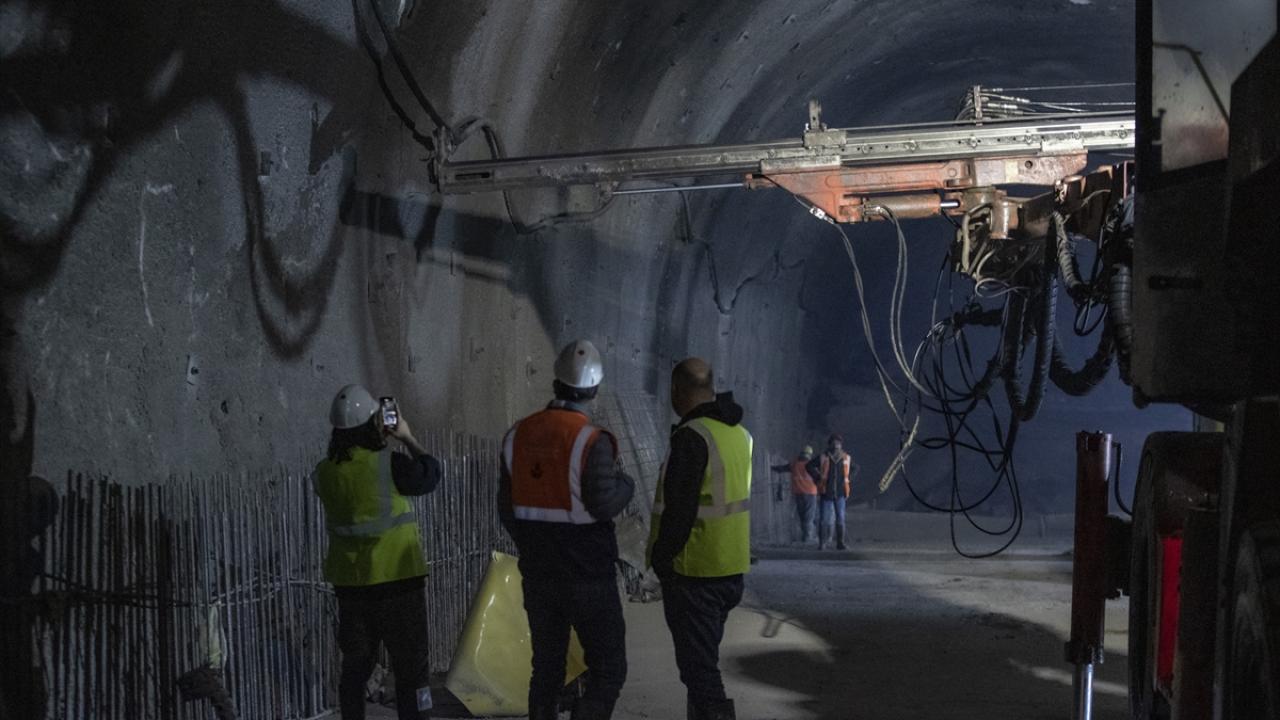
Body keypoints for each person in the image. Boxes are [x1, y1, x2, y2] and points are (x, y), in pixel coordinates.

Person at [498, 340, 635, 720]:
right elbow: (604, 503)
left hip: (539, 574)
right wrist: (627, 485)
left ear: (556, 381)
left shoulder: (517, 435)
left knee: (546, 670)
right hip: (588, 576)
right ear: (594, 389)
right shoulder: (592, 440)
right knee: (608, 669)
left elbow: (506, 509)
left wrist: (535, 543)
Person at [313, 384, 443, 720]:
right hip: (398, 584)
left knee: (355, 667)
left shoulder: (324, 473)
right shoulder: (389, 465)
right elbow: (430, 475)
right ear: (374, 423)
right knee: (412, 670)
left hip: (352, 587)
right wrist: (407, 437)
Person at [646, 358, 752, 720]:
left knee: (700, 672)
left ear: (678, 391)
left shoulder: (692, 437)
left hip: (696, 573)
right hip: (730, 569)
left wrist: (662, 560)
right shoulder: (739, 435)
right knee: (702, 663)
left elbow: (680, 510)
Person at [806, 434, 854, 550]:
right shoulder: (823, 457)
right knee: (824, 519)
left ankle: (840, 543)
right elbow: (809, 466)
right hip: (826, 492)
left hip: (840, 493)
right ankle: (822, 543)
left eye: (838, 442)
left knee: (840, 518)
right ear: (830, 444)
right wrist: (817, 477)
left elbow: (855, 468)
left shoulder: (845, 458)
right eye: (834, 442)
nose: (836, 445)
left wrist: (848, 479)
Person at [771, 446, 817, 544]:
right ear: (810, 454)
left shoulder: (795, 464)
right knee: (809, 517)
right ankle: (808, 538)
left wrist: (772, 468)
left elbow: (782, 468)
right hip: (810, 494)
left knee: (802, 516)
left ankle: (805, 537)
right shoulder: (812, 464)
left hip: (798, 493)